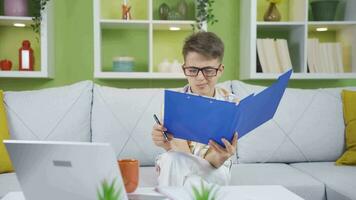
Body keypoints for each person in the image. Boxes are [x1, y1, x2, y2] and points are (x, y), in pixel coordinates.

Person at [151, 32, 238, 187]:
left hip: (214, 168)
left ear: (220, 69)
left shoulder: (231, 104)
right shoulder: (174, 102)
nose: (200, 78)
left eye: (208, 70)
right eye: (192, 70)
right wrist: (164, 142)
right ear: (184, 68)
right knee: (176, 163)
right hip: (179, 164)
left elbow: (214, 163)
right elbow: (178, 151)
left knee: (183, 171)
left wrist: (221, 156)